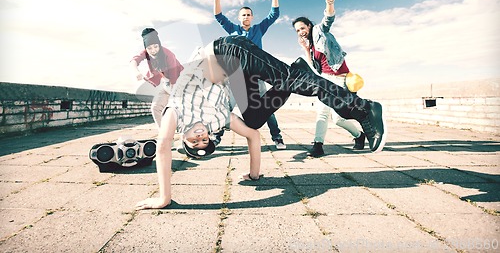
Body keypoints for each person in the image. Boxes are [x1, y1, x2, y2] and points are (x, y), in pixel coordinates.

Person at [135, 33, 386, 210]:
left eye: (194, 141)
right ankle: (300, 72)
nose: (200, 136)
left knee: (289, 79)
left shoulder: (176, 115)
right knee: (254, 119)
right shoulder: (219, 120)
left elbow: (162, 147)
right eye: (205, 140)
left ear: (184, 137)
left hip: (227, 50)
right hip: (235, 74)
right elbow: (252, 136)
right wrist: (254, 174)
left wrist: (164, 197)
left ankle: (363, 110)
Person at [292, 0, 366, 157]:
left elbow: (328, 19)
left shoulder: (319, 30)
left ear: (309, 26)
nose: (301, 32)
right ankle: (319, 144)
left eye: (302, 28)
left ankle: (358, 136)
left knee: (338, 118)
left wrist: (330, 1)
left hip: (339, 77)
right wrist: (305, 49)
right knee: (326, 114)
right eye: (297, 30)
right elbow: (315, 69)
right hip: (325, 78)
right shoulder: (309, 46)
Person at [212, 0, 286, 150]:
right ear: (239, 18)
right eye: (243, 15)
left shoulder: (258, 29)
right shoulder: (234, 30)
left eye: (248, 14)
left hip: (256, 75)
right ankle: (216, 137)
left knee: (266, 107)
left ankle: (277, 137)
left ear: (252, 17)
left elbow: (274, 15)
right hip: (236, 75)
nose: (246, 17)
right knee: (227, 106)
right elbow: (218, 16)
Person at [130, 28, 184, 128]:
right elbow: (134, 61)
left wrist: (174, 99)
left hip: (179, 82)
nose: (153, 50)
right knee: (155, 108)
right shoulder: (145, 53)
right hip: (166, 83)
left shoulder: (169, 55)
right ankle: (165, 137)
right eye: (149, 48)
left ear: (159, 45)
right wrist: (136, 72)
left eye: (155, 47)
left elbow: (174, 79)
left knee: (179, 108)